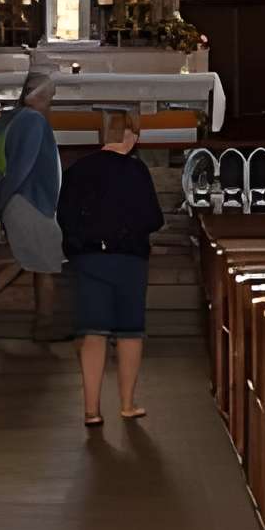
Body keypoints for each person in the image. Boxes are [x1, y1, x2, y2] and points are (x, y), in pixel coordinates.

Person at [60, 108, 163, 426]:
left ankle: (91, 409)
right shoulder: (136, 171)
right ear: (130, 136)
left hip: (90, 258)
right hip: (129, 259)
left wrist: (80, 245)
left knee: (93, 332)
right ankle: (127, 404)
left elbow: (64, 215)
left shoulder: (79, 169)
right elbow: (153, 218)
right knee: (130, 331)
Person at [0, 71, 64, 341]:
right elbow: (21, 167)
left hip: (21, 200)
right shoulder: (34, 121)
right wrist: (5, 201)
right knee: (39, 264)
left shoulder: (10, 119)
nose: (50, 104)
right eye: (48, 98)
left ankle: (41, 325)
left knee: (33, 263)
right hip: (29, 200)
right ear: (36, 96)